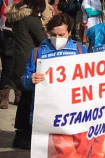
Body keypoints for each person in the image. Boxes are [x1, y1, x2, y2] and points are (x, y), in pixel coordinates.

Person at [20, 13, 88, 149]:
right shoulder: (37, 52)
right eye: (53, 35)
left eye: (61, 35)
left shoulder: (80, 51)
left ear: (69, 33)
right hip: (45, 114)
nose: (57, 38)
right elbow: (24, 80)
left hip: (72, 113)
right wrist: (31, 79)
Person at [5, 0, 49, 148]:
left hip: (19, 60)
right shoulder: (31, 19)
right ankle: (24, 135)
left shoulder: (18, 16)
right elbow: (43, 41)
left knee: (25, 99)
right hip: (30, 63)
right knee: (28, 100)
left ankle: (22, 133)